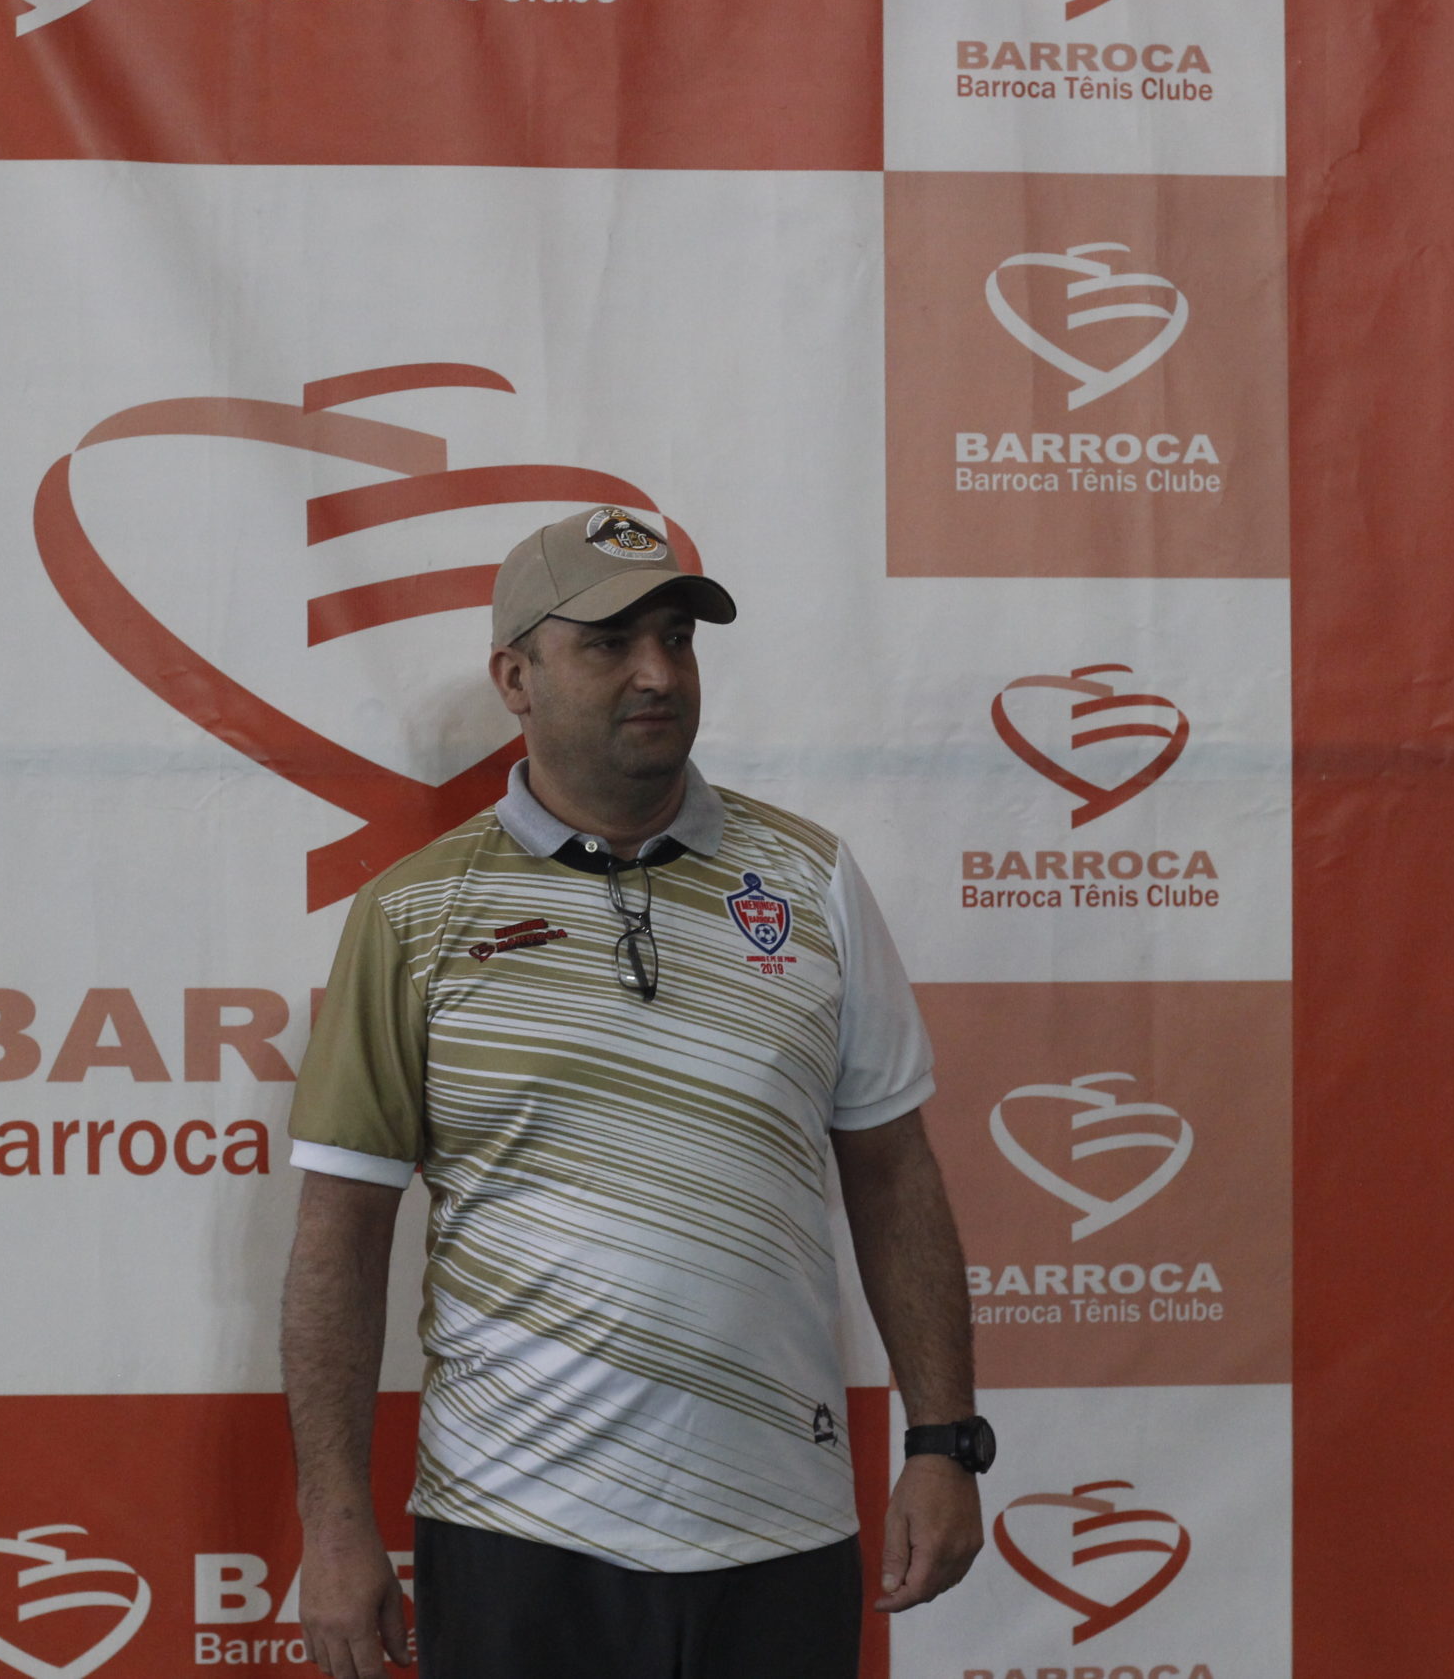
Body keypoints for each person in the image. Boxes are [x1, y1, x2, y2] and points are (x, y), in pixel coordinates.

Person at [280, 506, 994, 1679]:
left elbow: (894, 1173)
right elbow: (337, 1239)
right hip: (516, 1535)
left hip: (781, 1526)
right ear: (515, 678)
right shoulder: (412, 914)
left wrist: (942, 1439)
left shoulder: (807, 879)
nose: (657, 673)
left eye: (676, 638)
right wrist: (333, 1521)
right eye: (609, 644)